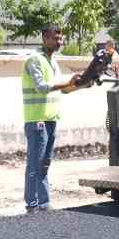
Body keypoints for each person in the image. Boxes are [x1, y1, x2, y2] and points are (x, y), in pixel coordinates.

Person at [21, 24, 79, 212]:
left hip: (51, 119)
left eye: (61, 39)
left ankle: (44, 204)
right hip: (36, 120)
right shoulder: (34, 60)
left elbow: (63, 88)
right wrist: (68, 82)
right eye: (56, 38)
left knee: (45, 163)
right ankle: (32, 204)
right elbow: (42, 87)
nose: (59, 42)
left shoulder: (52, 61)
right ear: (44, 38)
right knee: (35, 164)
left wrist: (82, 83)